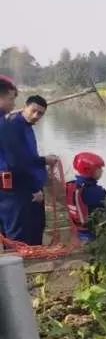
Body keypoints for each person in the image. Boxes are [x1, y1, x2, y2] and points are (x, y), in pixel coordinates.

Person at [0, 95, 58, 246]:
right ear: (25, 106)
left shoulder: (25, 127)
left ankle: (29, 263)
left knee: (35, 229)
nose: (36, 116)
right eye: (33, 111)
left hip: (26, 188)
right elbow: (18, 162)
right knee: (19, 236)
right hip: (18, 190)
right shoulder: (13, 127)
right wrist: (34, 189)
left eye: (40, 114)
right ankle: (20, 267)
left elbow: (28, 158)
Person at [66, 151, 106, 242]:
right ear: (89, 170)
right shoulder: (96, 191)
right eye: (99, 168)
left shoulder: (71, 185)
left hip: (78, 230)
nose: (102, 170)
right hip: (93, 233)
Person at [0, 76, 18, 240]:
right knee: (11, 231)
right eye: (11, 99)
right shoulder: (5, 125)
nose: (13, 104)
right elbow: (15, 158)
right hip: (5, 188)